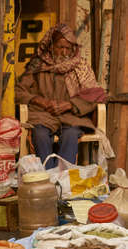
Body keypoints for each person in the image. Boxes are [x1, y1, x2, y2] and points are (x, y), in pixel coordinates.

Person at [15, 23, 106, 169]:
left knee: (70, 135)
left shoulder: (80, 66)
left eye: (68, 48)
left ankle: (63, 178)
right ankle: (48, 177)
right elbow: (19, 91)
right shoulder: (37, 65)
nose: (64, 52)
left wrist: (70, 105)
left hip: (72, 116)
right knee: (40, 134)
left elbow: (95, 94)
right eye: (60, 47)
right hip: (44, 115)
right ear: (51, 46)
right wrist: (41, 101)